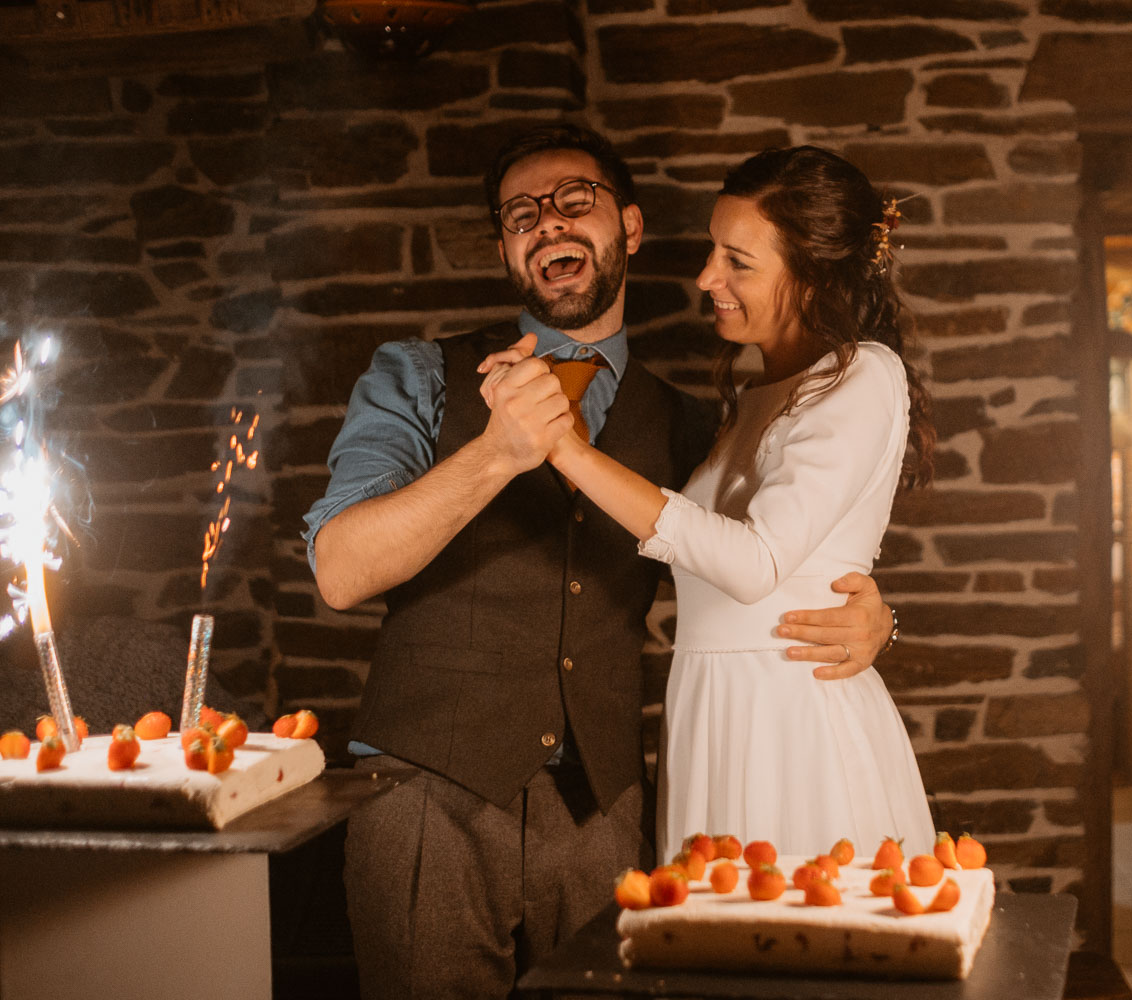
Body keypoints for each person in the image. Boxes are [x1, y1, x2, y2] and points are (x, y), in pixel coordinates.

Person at [302, 124, 895, 1000]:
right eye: (521, 215)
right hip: (427, 797)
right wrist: (500, 451)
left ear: (630, 226)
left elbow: (767, 547)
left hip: (605, 812)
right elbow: (340, 570)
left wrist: (879, 613)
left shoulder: (701, 422)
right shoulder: (417, 376)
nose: (549, 224)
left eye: (574, 201)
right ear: (507, 248)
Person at [483, 145, 937, 861]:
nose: (707, 278)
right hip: (711, 708)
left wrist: (567, 450)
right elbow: (713, 555)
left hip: (789, 718)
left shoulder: (864, 376)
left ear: (813, 275)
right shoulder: (753, 398)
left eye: (737, 262)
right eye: (710, 252)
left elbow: (756, 563)